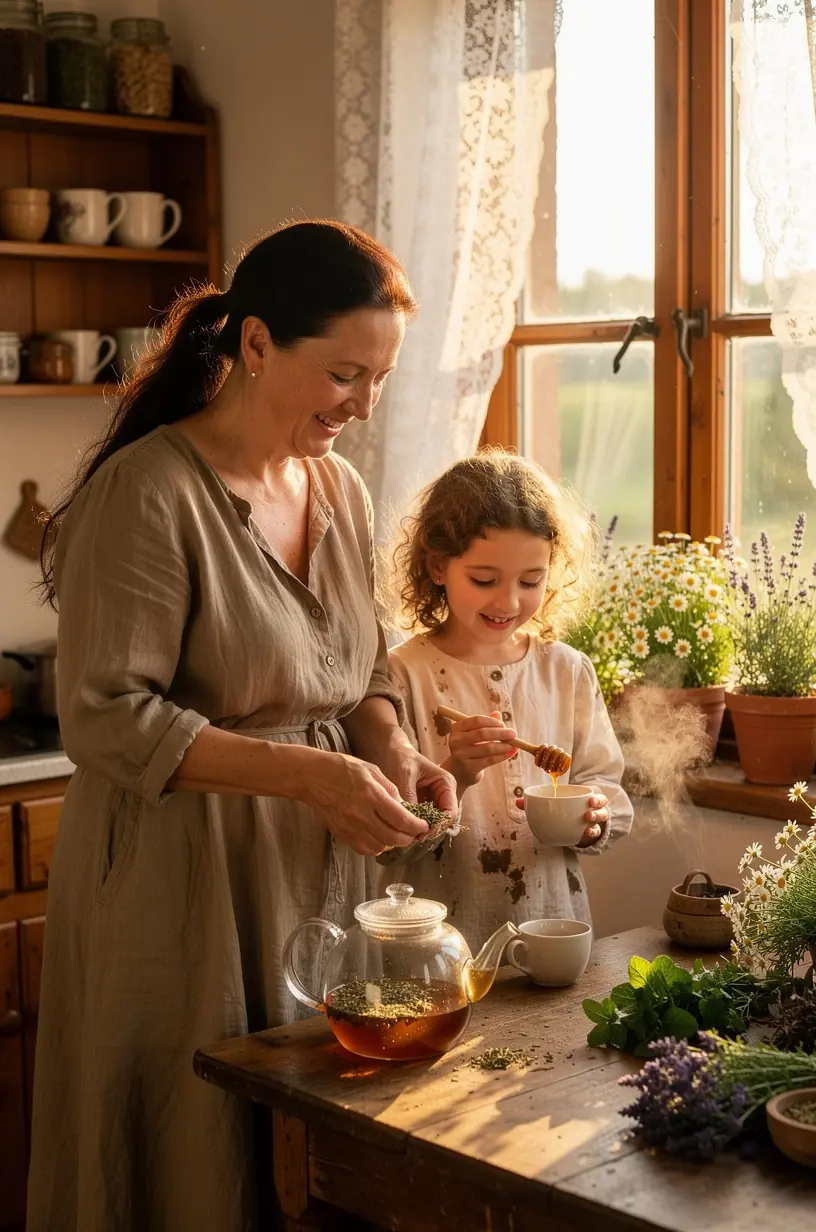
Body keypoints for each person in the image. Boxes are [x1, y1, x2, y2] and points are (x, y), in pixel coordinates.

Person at [28, 219, 456, 1232]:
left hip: (312, 873)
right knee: (191, 1158)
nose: (363, 404)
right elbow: (105, 718)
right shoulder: (147, 494)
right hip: (178, 881)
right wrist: (310, 776)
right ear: (256, 345)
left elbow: (353, 667)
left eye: (380, 378)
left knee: (305, 1165)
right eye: (344, 374)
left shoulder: (338, 490)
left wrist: (387, 741)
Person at [381, 449, 633, 948]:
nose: (509, 602)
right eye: (484, 580)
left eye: (531, 581)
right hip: (444, 939)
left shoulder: (566, 670)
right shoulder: (400, 675)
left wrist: (594, 819)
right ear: (437, 567)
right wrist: (456, 772)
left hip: (552, 923)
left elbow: (605, 784)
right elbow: (388, 843)